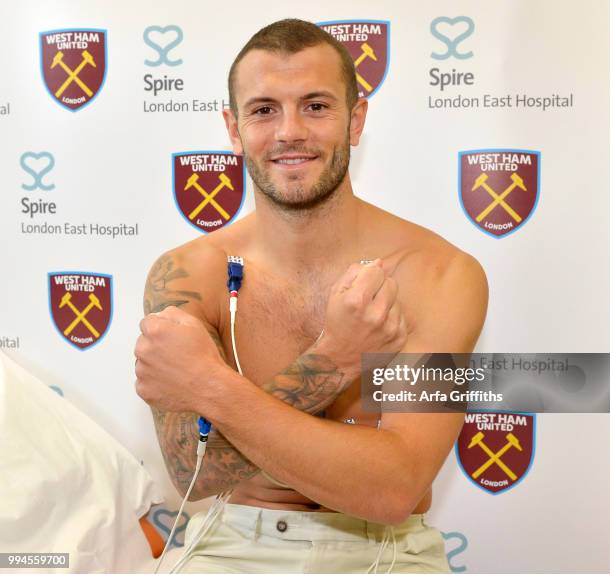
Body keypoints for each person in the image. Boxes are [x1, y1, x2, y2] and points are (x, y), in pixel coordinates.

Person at [135, 18, 488, 573]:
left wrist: (210, 387)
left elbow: (392, 487)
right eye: (264, 109)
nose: (289, 131)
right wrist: (337, 358)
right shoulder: (187, 273)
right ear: (233, 128)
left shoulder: (438, 274)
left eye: (316, 106)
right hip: (230, 543)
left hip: (386, 550)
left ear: (357, 119)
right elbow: (192, 475)